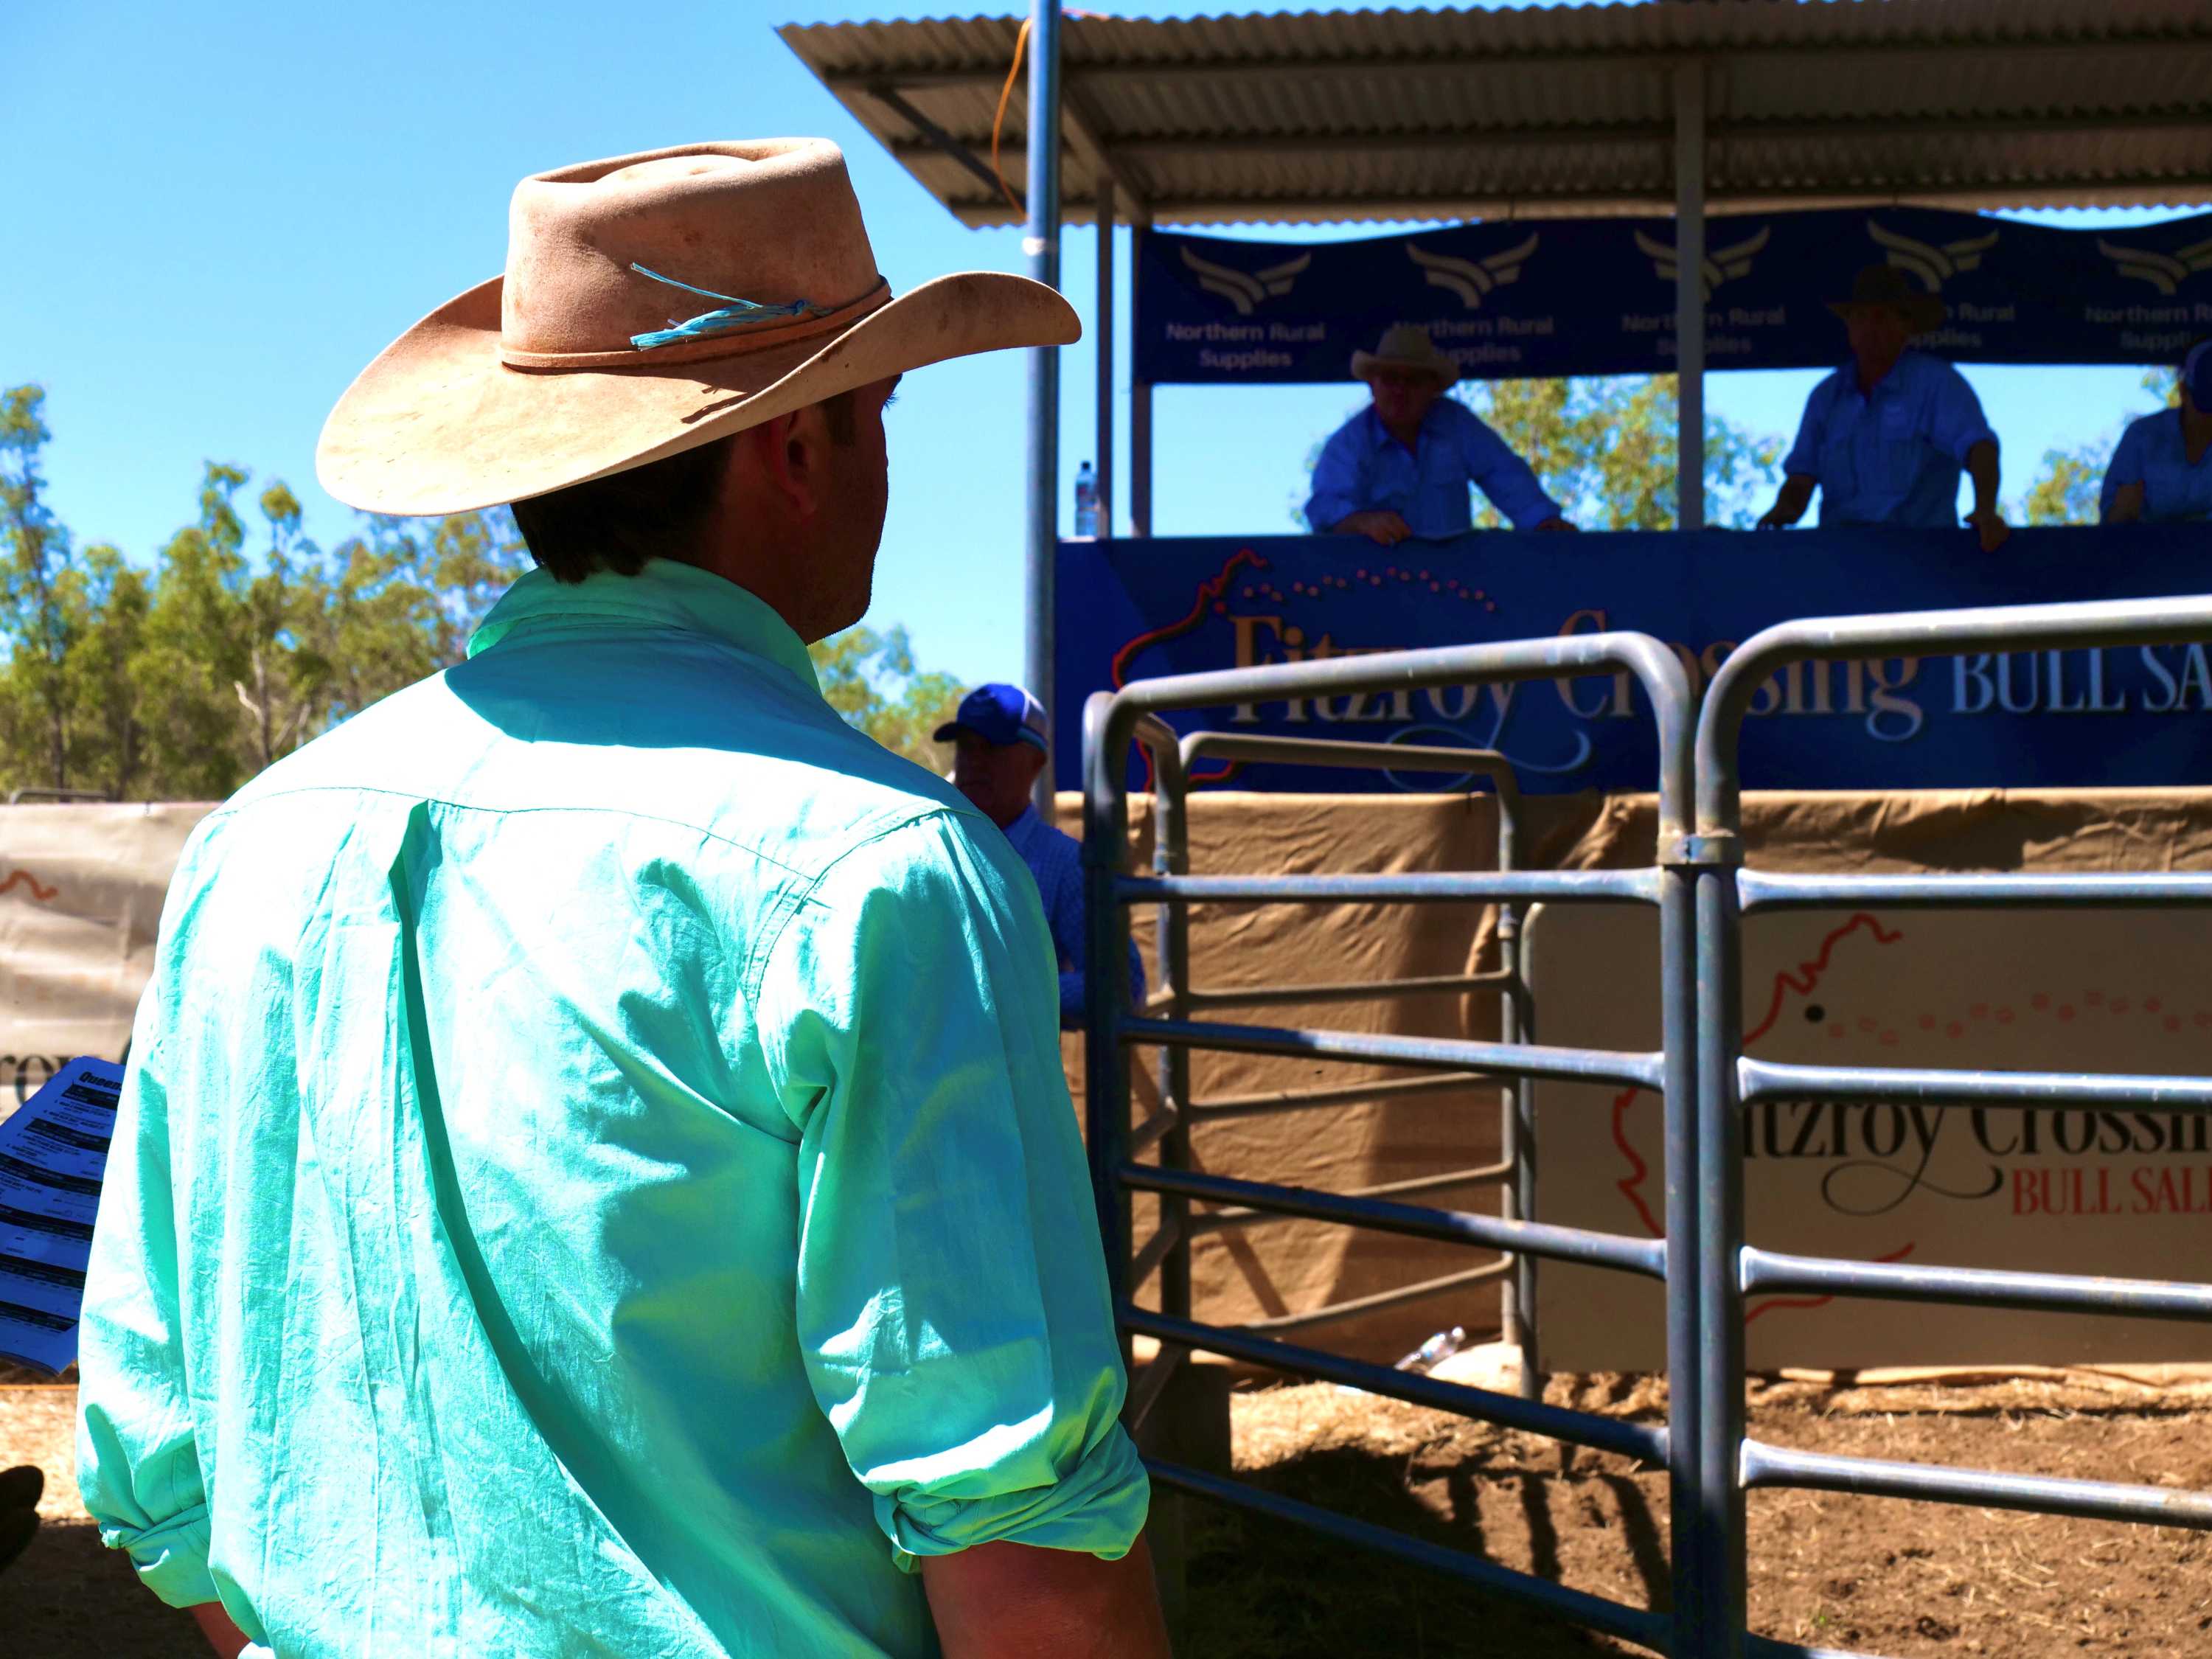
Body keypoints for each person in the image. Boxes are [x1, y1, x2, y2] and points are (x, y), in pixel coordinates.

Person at [74, 140, 1168, 1659]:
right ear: (801, 451)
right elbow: (1019, 1542)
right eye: (878, 417)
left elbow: (160, 1463)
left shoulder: (256, 847)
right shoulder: (882, 871)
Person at [936, 683, 1145, 1029]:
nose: (973, 761)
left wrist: (989, 991)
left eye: (991, 747)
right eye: (965, 747)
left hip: (1010, 1079)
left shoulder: (1062, 863)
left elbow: (1123, 987)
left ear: (1036, 762)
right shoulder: (932, 846)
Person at [1759, 264, 2011, 552]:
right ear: (1849, 326)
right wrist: (1780, 512)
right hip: (1838, 561)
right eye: (1860, 317)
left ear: (1905, 326)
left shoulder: (1936, 384)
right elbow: (1801, 477)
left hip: (1925, 560)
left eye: (1880, 317)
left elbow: (1980, 447)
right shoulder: (1825, 397)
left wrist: (1986, 511)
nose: (1869, 328)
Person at [1304, 324, 1576, 544]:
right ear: (1372, 385)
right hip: (1374, 587)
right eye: (1390, 379)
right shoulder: (1349, 444)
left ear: (1432, 388)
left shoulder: (1458, 424)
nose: (1399, 390)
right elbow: (1324, 508)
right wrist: (1360, 522)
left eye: (1412, 380)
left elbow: (1503, 473)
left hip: (1455, 585)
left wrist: (1543, 522)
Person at [2101, 339, 2212, 524]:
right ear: (2183, 392)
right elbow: (2112, 527)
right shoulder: (2142, 438)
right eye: (2206, 405)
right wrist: (2123, 512)